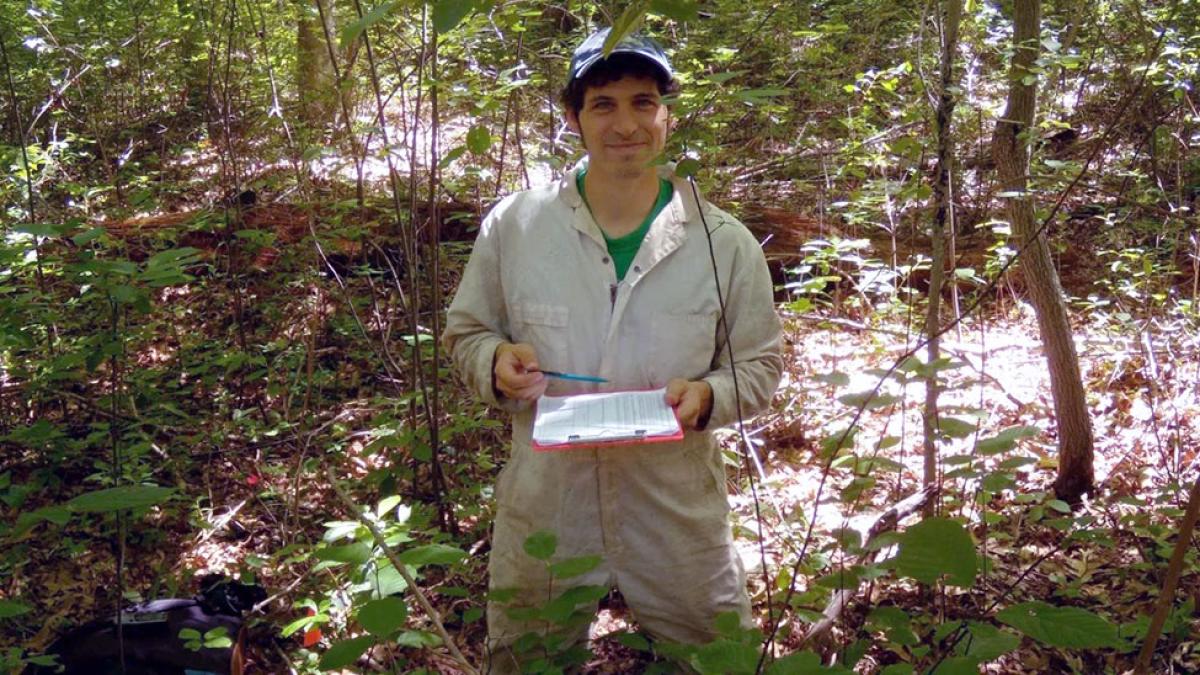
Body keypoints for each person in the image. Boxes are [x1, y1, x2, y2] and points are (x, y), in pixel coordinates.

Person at [443, 27, 783, 672]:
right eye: (603, 104)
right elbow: (467, 331)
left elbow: (758, 365)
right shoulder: (516, 226)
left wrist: (713, 395)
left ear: (666, 115)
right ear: (574, 118)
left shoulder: (723, 241)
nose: (625, 123)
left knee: (716, 659)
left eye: (642, 101)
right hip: (549, 499)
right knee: (528, 658)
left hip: (675, 503)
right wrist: (494, 363)